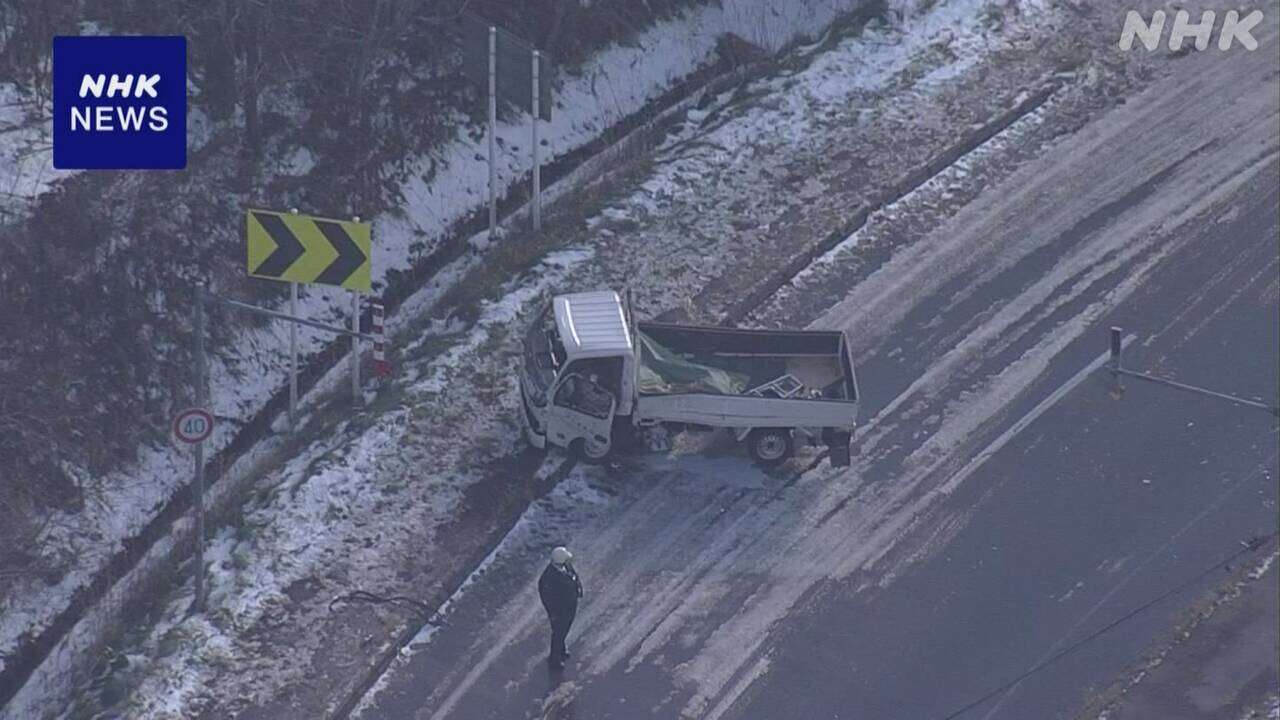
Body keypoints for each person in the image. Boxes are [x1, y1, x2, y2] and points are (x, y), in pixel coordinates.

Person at [538, 546, 584, 669]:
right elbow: (547, 598)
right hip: (559, 610)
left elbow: (574, 576)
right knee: (558, 633)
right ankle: (555, 658)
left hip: (569, 605)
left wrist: (578, 589)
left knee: (564, 630)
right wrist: (553, 613)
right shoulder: (549, 578)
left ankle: (561, 649)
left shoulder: (566, 566)